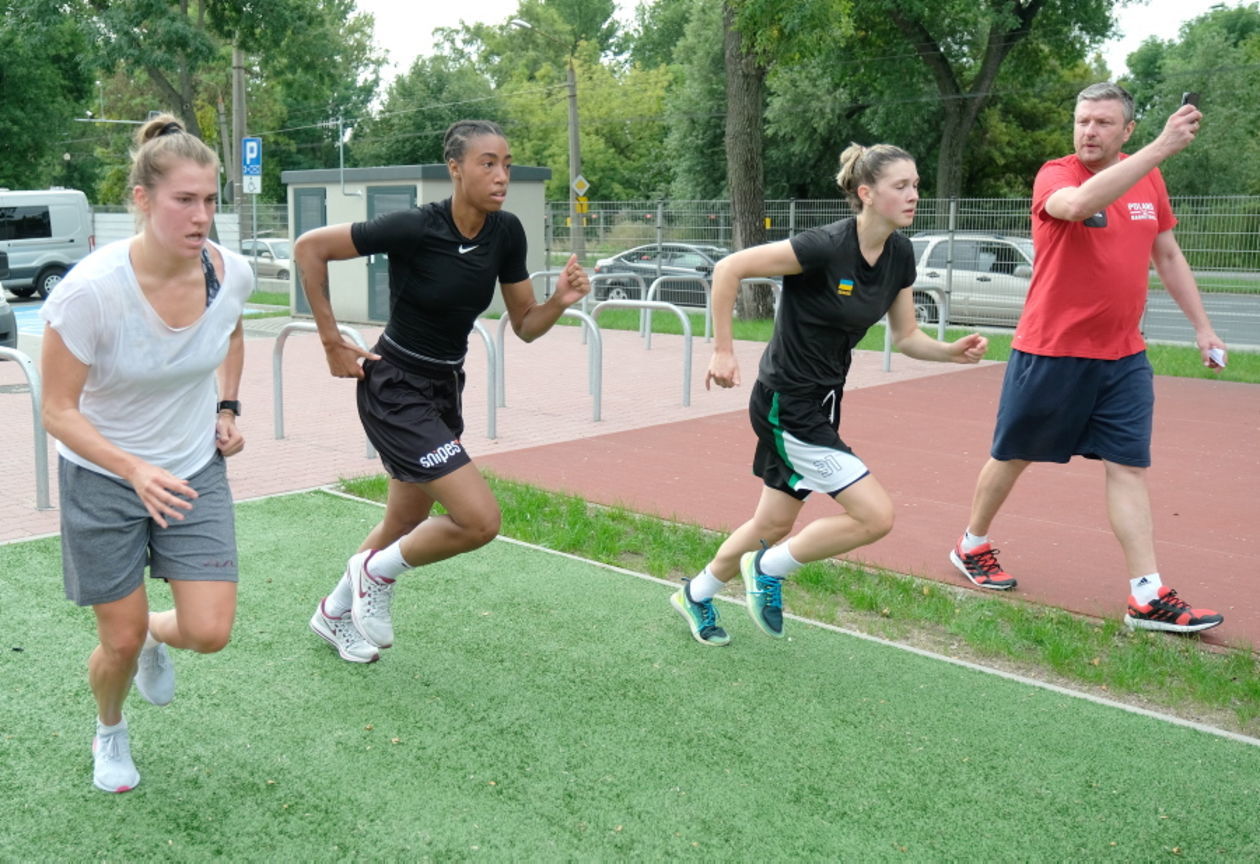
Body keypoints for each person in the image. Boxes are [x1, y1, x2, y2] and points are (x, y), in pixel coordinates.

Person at [298, 119, 591, 663]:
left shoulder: (506, 233)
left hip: (444, 387)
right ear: (455, 169)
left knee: (403, 521)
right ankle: (374, 573)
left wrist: (561, 301)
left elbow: (525, 323)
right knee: (480, 520)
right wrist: (330, 339)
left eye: (506, 163)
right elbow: (309, 248)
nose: (501, 175)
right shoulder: (414, 226)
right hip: (395, 384)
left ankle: (333, 613)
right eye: (487, 163)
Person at [674, 143, 989, 646]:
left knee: (772, 522)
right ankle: (769, 570)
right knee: (874, 515)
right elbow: (728, 268)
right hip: (786, 402)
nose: (914, 196)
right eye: (901, 186)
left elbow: (906, 336)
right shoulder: (822, 246)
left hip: (823, 403)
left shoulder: (899, 253)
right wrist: (723, 350)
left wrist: (951, 351)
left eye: (916, 185)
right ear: (866, 194)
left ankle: (696, 593)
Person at [949, 83, 1227, 633]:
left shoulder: (1149, 175)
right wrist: (1162, 147)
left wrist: (1203, 327)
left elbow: (1166, 253)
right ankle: (971, 544)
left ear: (1126, 130)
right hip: (1051, 351)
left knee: (1128, 466)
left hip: (1123, 356)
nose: (1089, 131)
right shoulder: (1057, 174)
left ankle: (1146, 595)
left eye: (1102, 122)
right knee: (1013, 455)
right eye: (1082, 121)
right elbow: (1075, 207)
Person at [40, 115, 251, 792]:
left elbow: (232, 332)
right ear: (142, 199)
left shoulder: (230, 273)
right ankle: (109, 729)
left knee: (211, 630)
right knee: (119, 641)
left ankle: (162, 636)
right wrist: (132, 467)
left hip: (191, 467)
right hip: (105, 476)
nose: (201, 216)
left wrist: (227, 406)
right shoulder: (91, 293)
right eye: (183, 200)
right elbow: (57, 410)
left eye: (210, 200)